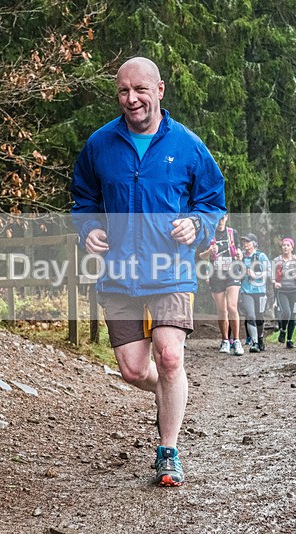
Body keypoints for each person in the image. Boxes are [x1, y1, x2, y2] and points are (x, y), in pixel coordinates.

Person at [70, 57, 225, 487]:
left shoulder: (189, 146)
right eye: (123, 91)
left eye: (140, 89)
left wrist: (197, 224)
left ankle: (168, 451)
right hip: (119, 275)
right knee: (134, 371)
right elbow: (82, 199)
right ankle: (168, 388)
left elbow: (213, 202)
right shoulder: (100, 144)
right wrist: (88, 229)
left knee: (170, 355)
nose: (131, 99)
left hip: (171, 270)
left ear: (159, 90)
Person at [198, 214, 244, 355]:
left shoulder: (232, 233)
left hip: (232, 272)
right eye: (217, 219)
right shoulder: (208, 234)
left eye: (222, 218)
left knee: (232, 306)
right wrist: (209, 251)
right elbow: (200, 255)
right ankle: (225, 340)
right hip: (216, 274)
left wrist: (239, 255)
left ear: (227, 217)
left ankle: (236, 340)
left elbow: (239, 251)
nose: (220, 222)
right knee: (222, 310)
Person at [238, 233, 269, 353]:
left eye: (248, 241)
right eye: (244, 242)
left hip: (260, 290)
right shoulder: (240, 256)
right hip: (246, 290)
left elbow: (268, 272)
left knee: (259, 317)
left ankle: (260, 338)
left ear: (254, 243)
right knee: (250, 315)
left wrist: (255, 275)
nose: (245, 244)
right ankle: (255, 342)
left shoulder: (261, 256)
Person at [272, 237, 296, 349]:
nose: (285, 247)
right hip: (282, 291)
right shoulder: (276, 260)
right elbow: (271, 275)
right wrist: (274, 282)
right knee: (286, 313)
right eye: (284, 245)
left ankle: (289, 340)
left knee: (293, 316)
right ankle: (283, 330)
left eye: (288, 245)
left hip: (295, 291)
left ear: (292, 247)